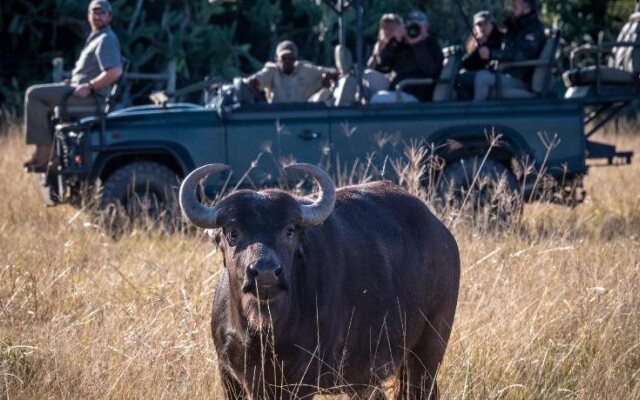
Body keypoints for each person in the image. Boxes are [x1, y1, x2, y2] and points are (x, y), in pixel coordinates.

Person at [23, 0, 123, 171]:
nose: (97, 16)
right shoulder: (96, 38)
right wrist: (71, 83)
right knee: (40, 97)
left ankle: (45, 153)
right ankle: (53, 152)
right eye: (94, 12)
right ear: (88, 16)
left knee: (35, 95)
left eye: (102, 13)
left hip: (91, 99)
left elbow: (114, 71)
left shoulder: (106, 39)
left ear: (109, 17)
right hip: (78, 93)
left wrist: (90, 86)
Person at [472, 0, 545, 101]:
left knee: (482, 78)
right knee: (466, 77)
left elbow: (521, 55)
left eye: (515, 5)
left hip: (520, 78)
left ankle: (474, 115)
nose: (511, 7)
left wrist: (492, 53)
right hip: (506, 73)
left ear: (527, 7)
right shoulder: (516, 26)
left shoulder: (533, 28)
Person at [366, 11, 444, 102]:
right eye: (411, 26)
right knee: (366, 76)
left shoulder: (432, 45)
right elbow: (382, 66)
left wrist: (416, 45)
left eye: (418, 26)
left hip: (414, 93)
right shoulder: (403, 43)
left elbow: (431, 70)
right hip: (395, 86)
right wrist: (395, 40)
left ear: (426, 27)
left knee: (377, 99)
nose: (415, 30)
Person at [245, 40, 337, 104]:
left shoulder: (306, 70)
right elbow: (251, 82)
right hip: (277, 114)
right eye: (284, 58)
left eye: (290, 58)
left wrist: (327, 82)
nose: (287, 61)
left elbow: (332, 73)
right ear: (277, 59)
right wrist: (263, 103)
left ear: (295, 59)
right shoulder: (272, 72)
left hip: (302, 114)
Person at [457, 11, 503, 100]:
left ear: (492, 24)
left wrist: (485, 46)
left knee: (460, 79)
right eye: (479, 25)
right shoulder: (476, 42)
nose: (482, 27)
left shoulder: (499, 38)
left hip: (495, 73)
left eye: (485, 24)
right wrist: (476, 49)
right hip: (480, 72)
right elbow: (467, 63)